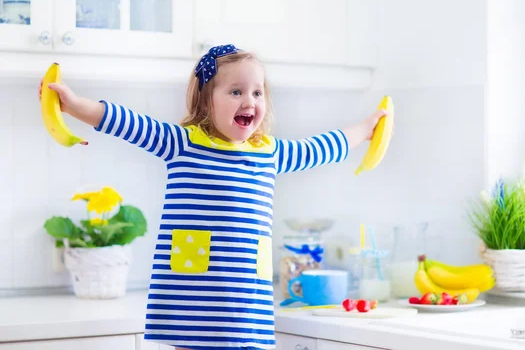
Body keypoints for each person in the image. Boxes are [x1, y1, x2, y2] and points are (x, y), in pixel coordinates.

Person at [41, 44, 389, 350]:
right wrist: (74, 106)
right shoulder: (183, 144)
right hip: (192, 306)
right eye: (236, 91)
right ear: (207, 100)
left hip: (248, 308)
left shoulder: (270, 153)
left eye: (258, 93)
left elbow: (322, 148)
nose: (249, 101)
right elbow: (127, 122)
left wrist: (366, 128)